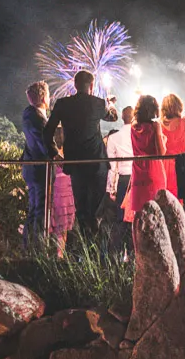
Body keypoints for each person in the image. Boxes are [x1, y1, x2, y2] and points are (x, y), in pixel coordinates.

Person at [43, 70, 119, 240]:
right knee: (96, 210)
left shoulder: (63, 104)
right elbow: (113, 117)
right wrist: (110, 103)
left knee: (81, 208)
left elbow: (47, 132)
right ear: (92, 86)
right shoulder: (98, 103)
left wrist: (54, 153)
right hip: (97, 163)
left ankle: (81, 249)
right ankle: (93, 250)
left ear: (75, 85)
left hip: (75, 163)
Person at [123, 95, 167, 218]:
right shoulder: (154, 126)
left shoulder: (133, 126)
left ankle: (138, 237)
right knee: (155, 212)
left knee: (139, 213)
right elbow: (161, 153)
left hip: (138, 170)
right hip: (153, 169)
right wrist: (163, 138)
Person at [21, 81, 52, 248]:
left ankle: (29, 246)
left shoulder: (30, 114)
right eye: (48, 94)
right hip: (38, 169)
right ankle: (37, 249)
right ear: (43, 97)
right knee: (39, 210)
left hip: (31, 168)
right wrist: (56, 157)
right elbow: (43, 144)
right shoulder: (37, 118)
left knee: (34, 209)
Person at [160, 83, 185, 203]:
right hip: (180, 165)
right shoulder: (184, 122)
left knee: (162, 200)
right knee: (177, 203)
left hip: (162, 165)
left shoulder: (159, 124)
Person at [104, 105, 135, 257]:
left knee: (120, 218)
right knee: (136, 219)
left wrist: (111, 188)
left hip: (122, 180)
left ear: (122, 118)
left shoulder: (114, 137)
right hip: (137, 178)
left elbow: (112, 166)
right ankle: (133, 254)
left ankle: (116, 256)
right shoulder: (139, 135)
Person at [49, 129, 75, 255]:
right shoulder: (70, 154)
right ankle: (61, 255)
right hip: (68, 193)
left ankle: (56, 255)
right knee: (64, 229)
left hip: (56, 193)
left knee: (56, 227)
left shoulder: (52, 155)